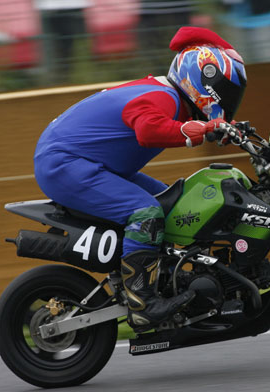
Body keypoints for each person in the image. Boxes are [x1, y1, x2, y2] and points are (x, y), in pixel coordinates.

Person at [34, 26, 247, 329]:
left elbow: (182, 126)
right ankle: (143, 303)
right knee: (146, 213)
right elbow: (148, 130)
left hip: (86, 163)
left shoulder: (170, 96)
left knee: (177, 205)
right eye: (226, 91)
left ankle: (168, 284)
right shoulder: (164, 97)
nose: (228, 100)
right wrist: (197, 130)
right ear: (204, 80)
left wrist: (224, 128)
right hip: (64, 164)